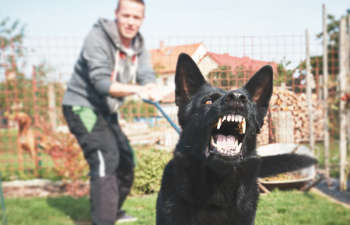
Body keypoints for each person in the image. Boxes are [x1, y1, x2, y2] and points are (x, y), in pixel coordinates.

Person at [62, 0, 159, 224]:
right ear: (116, 14)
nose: (131, 22)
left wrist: (152, 88)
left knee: (126, 159)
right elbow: (101, 83)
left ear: (142, 19)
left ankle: (113, 211)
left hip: (106, 111)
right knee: (106, 157)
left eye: (136, 17)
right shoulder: (97, 38)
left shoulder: (139, 45)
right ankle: (103, 220)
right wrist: (139, 90)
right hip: (82, 106)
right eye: (126, 16)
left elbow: (146, 75)